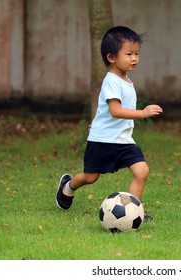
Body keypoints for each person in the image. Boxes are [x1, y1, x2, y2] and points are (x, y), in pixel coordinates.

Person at [56, 26, 162, 220]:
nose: (134, 58)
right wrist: (143, 112)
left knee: (142, 171)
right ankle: (68, 186)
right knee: (90, 177)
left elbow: (104, 111)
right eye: (129, 54)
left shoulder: (126, 81)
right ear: (111, 57)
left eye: (137, 53)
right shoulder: (112, 81)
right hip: (103, 141)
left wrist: (98, 123)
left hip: (123, 140)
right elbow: (115, 110)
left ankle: (132, 211)